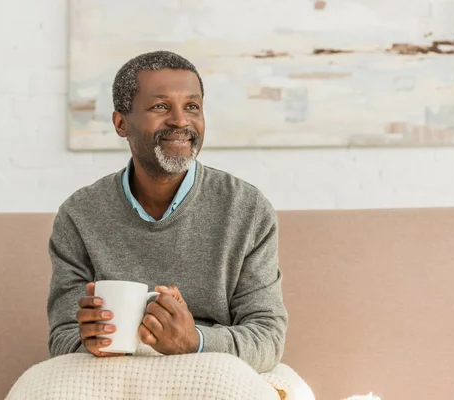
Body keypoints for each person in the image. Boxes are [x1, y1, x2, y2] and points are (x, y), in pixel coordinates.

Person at [47, 50, 288, 373]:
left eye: (192, 106)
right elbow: (62, 337)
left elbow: (268, 338)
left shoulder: (247, 209)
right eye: (160, 106)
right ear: (121, 123)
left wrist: (195, 341)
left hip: (214, 369)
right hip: (107, 372)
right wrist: (87, 340)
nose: (180, 120)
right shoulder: (79, 215)